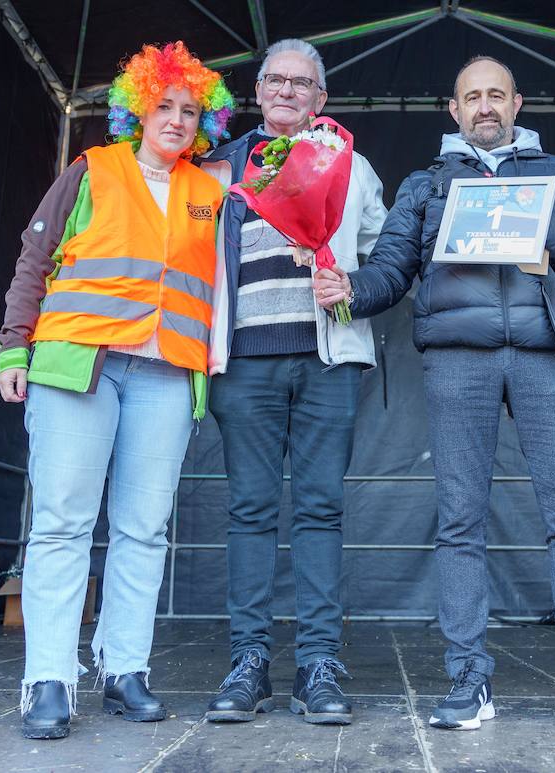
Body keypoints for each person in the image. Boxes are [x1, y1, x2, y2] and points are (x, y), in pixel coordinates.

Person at [312, 55, 555, 735]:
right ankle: (469, 678)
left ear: (518, 103)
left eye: (497, 95)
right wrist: (350, 293)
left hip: (546, 352)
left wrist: (542, 225)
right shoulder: (427, 183)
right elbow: (392, 266)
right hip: (457, 358)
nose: (486, 106)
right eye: (473, 97)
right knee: (460, 517)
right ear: (453, 109)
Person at [0, 42, 235, 740]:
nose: (178, 118)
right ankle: (48, 677)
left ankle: (125, 668)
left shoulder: (209, 192)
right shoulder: (92, 169)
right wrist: (15, 341)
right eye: (165, 105)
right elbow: (34, 257)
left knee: (144, 528)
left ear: (205, 122)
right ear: (137, 109)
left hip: (165, 372)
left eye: (191, 110)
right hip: (79, 364)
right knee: (63, 522)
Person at [196, 38, 387, 726]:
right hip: (242, 360)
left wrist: (355, 285)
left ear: (321, 98)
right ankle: (249, 661)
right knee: (248, 509)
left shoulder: (352, 164)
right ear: (257, 90)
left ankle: (318, 663)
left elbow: (386, 254)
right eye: (275, 79)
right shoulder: (218, 167)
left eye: (300, 83)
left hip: (326, 357)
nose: (285, 90)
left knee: (320, 509)